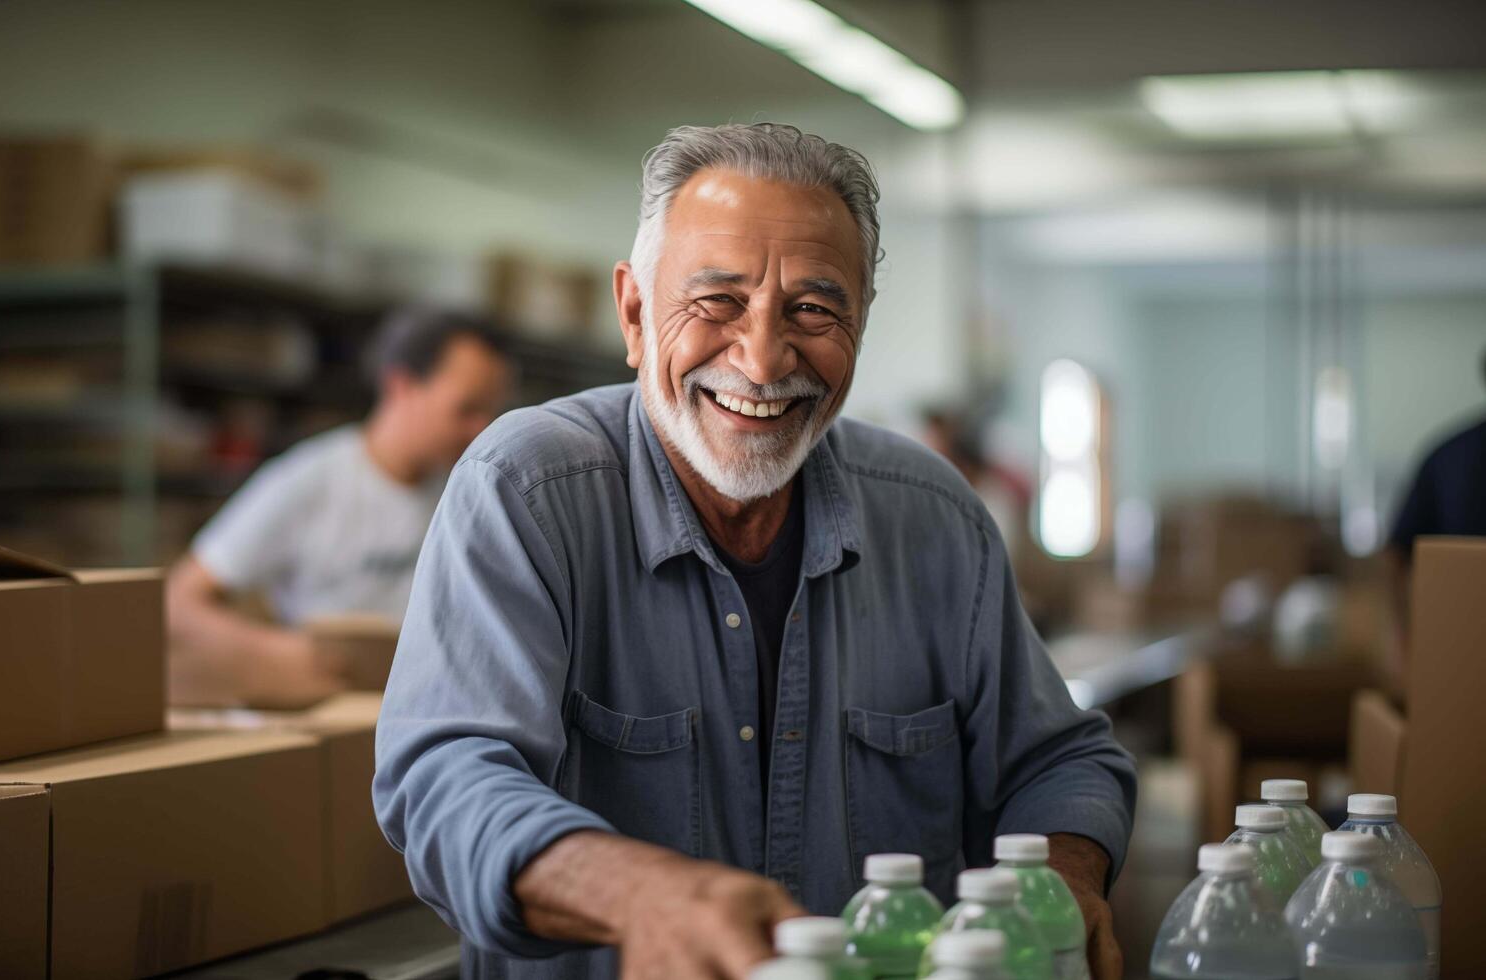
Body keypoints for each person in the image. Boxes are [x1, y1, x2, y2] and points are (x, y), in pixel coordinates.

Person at [374, 124, 1137, 980]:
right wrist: (633, 890)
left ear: (860, 323)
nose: (764, 359)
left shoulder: (933, 517)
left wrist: (1065, 879)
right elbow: (444, 779)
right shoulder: (527, 490)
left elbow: (1056, 759)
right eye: (716, 302)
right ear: (633, 314)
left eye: (813, 309)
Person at [165, 307, 513, 706]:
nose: (482, 429)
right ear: (401, 386)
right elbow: (179, 602)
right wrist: (274, 649)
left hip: (437, 706)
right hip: (339, 710)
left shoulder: (470, 489)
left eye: (491, 411)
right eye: (466, 410)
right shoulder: (310, 481)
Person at [1385, 345, 1486, 649]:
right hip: (1458, 639)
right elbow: (1395, 555)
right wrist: (1404, 634)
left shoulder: (1446, 455)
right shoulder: (1448, 460)